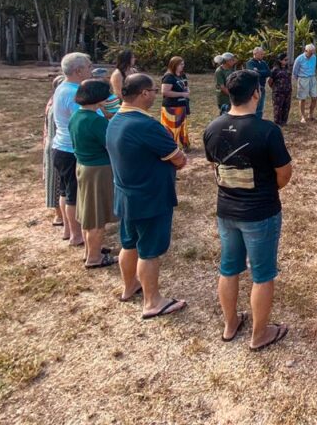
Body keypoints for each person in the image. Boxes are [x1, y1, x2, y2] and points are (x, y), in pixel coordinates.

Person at [203, 69, 294, 349]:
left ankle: (230, 324)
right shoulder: (267, 130)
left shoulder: (212, 127)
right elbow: (284, 173)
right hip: (260, 212)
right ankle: (259, 334)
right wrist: (266, 189)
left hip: (227, 209)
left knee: (229, 268)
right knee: (262, 274)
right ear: (256, 93)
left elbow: (215, 166)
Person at [107, 73, 188, 318]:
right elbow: (179, 159)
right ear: (143, 94)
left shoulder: (115, 120)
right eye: (153, 90)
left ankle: (129, 285)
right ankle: (153, 301)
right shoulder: (147, 126)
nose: (156, 94)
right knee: (150, 250)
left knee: (129, 243)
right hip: (151, 198)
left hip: (126, 195)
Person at [69, 79, 119, 269]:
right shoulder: (95, 121)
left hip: (83, 166)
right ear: (100, 98)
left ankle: (91, 250)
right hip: (98, 170)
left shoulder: (77, 116)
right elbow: (112, 143)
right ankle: (94, 258)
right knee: (97, 217)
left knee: (88, 214)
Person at [53, 53, 92, 247]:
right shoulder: (74, 93)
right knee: (73, 195)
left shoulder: (63, 87)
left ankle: (69, 230)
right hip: (71, 150)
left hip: (61, 147)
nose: (90, 70)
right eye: (88, 67)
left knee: (65, 191)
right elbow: (83, 122)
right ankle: (77, 236)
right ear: (78, 71)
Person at [43, 75, 66, 227]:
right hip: (56, 146)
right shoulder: (57, 105)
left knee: (60, 184)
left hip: (52, 145)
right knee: (57, 183)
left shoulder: (53, 102)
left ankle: (61, 215)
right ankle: (59, 216)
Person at [160, 56, 191, 150]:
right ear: (174, 65)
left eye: (183, 64)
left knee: (182, 126)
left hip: (182, 106)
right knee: (172, 128)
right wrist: (182, 94)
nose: (183, 66)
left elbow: (185, 85)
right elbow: (165, 92)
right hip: (172, 107)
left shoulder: (181, 75)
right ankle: (172, 147)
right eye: (181, 64)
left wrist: (187, 90)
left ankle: (184, 144)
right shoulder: (169, 77)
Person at [292, 43, 317, 123]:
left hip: (312, 78)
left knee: (314, 97)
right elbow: (295, 71)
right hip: (303, 78)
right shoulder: (299, 59)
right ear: (306, 51)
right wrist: (298, 80)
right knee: (302, 98)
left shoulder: (314, 57)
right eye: (310, 52)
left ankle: (311, 114)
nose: (312, 54)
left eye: (313, 52)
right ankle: (303, 116)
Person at [246, 47, 272, 120]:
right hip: (253, 88)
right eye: (261, 54)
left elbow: (269, 72)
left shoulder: (263, 62)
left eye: (263, 54)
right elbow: (254, 73)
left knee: (260, 107)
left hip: (262, 87)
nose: (262, 55)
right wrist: (262, 72)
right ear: (255, 54)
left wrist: (259, 71)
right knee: (253, 106)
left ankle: (258, 121)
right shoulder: (250, 63)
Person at [268, 53, 293, 127]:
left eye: (287, 60)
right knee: (278, 107)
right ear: (280, 60)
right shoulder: (275, 69)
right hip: (278, 92)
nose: (286, 61)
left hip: (287, 91)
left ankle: (284, 121)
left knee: (286, 107)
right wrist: (275, 88)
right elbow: (270, 81)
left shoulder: (287, 68)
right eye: (285, 60)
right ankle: (277, 122)